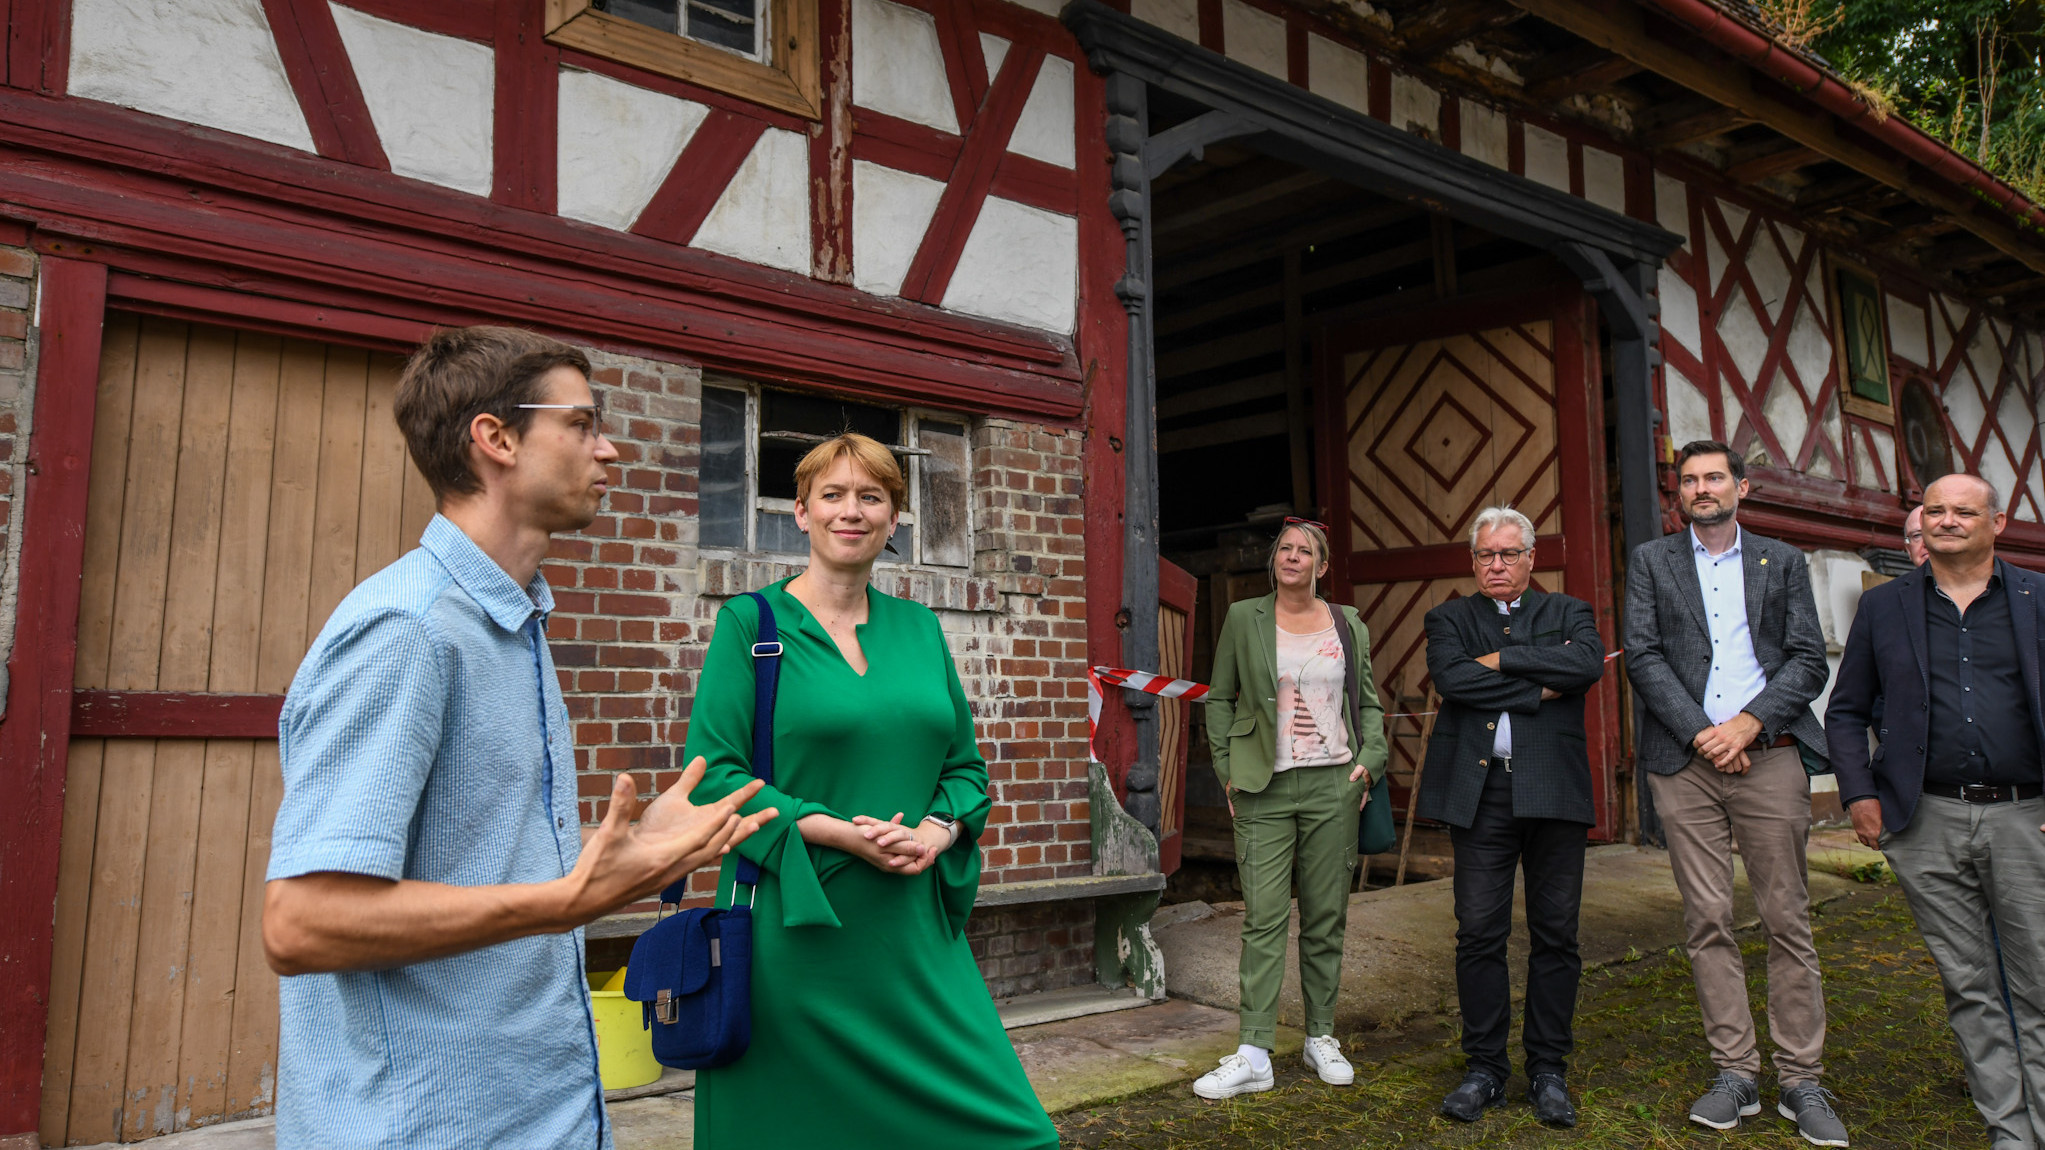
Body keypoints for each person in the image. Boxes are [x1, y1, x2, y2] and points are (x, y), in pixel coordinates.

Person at [262, 327, 777, 1150]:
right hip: (423, 1128)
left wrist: (629, 848)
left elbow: (477, 859)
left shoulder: (512, 617)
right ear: (495, 439)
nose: (608, 450)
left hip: (541, 1117)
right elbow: (301, 922)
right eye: (580, 424)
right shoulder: (409, 629)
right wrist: (565, 901)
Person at [684, 433, 1058, 1149]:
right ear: (799, 512)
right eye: (832, 494)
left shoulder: (919, 629)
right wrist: (837, 831)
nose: (850, 511)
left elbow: (964, 770)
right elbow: (715, 780)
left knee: (1016, 1135)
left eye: (871, 497)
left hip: (911, 930)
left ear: (893, 519)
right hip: (794, 934)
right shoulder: (751, 626)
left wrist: (937, 832)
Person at [1623, 439, 1846, 1146]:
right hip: (1683, 761)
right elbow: (1644, 654)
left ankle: (1802, 1079)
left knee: (1787, 917)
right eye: (1687, 480)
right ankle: (1733, 1072)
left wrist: (1747, 726)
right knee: (1707, 918)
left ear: (1740, 487)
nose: (1700, 488)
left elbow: (1809, 658)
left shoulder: (1780, 561)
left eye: (1713, 477)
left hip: (1771, 756)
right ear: (1677, 493)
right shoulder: (1650, 561)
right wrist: (1702, 734)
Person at [1828, 473, 2045, 1150]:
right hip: (1924, 821)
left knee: (2038, 980)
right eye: (1933, 511)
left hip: (2023, 815)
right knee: (1969, 985)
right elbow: (1843, 711)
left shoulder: (2037, 596)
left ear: (1996, 521)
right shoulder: (1886, 606)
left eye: (1961, 511)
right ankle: (2009, 1132)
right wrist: (1860, 795)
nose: (1945, 521)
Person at [1417, 506, 1605, 1128]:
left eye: (1508, 554)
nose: (1495, 565)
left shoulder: (1571, 612)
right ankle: (1485, 1070)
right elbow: (1452, 680)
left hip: (1554, 792)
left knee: (1557, 933)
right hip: (1483, 794)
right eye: (1484, 556)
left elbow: (1584, 667)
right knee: (1478, 933)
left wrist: (1497, 662)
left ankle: (1548, 1070)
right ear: (1473, 562)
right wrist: (1538, 679)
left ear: (1531, 559)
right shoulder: (1448, 617)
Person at [1194, 518, 1390, 1100]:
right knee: (1264, 919)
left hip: (1335, 784)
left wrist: (1370, 761)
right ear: (1274, 560)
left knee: (1326, 917)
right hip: (1264, 787)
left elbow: (1370, 704)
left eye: (1305, 551)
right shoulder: (1242, 618)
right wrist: (1228, 771)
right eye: (1285, 549)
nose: (1293, 557)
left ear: (1322, 566)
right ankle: (1255, 1051)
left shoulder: (1347, 623)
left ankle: (1320, 1037)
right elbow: (1219, 698)